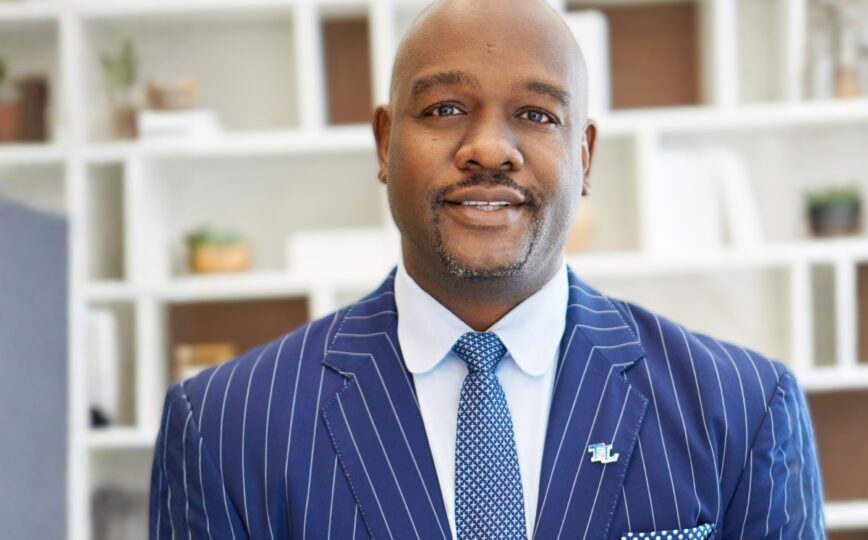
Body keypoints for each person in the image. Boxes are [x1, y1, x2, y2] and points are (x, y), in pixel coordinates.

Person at [149, 0, 825, 538]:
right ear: (385, 142)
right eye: (445, 109)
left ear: (584, 157)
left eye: (535, 114)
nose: (490, 149)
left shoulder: (741, 410)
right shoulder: (224, 427)